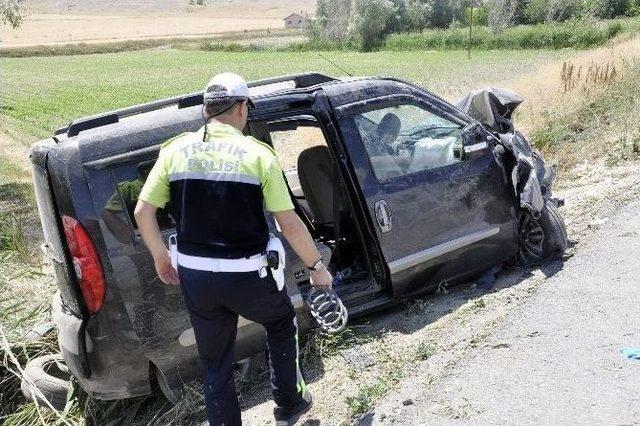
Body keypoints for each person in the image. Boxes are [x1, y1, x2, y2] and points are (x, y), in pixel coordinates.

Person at [134, 72, 333, 426]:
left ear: (205, 112)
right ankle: (289, 405)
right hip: (247, 275)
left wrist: (161, 258)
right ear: (242, 108)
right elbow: (289, 224)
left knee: (215, 364)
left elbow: (142, 212)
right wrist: (317, 268)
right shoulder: (258, 155)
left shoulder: (174, 150)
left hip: (196, 279)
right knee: (281, 321)